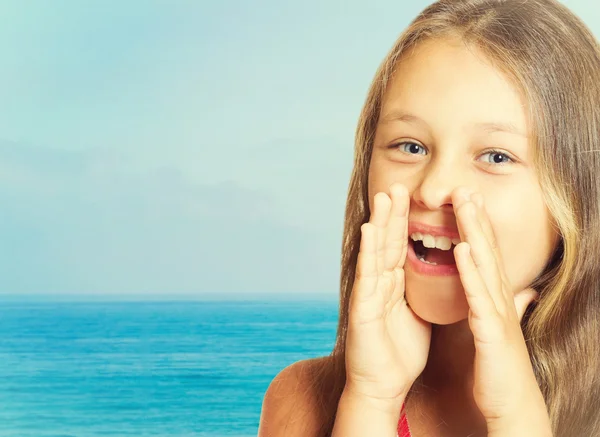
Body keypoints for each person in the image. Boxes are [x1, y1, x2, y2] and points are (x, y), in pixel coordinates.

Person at [257, 0, 600, 436]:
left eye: (495, 156)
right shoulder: (303, 401)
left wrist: (516, 415)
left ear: (578, 196)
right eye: (410, 146)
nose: (434, 190)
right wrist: (371, 400)